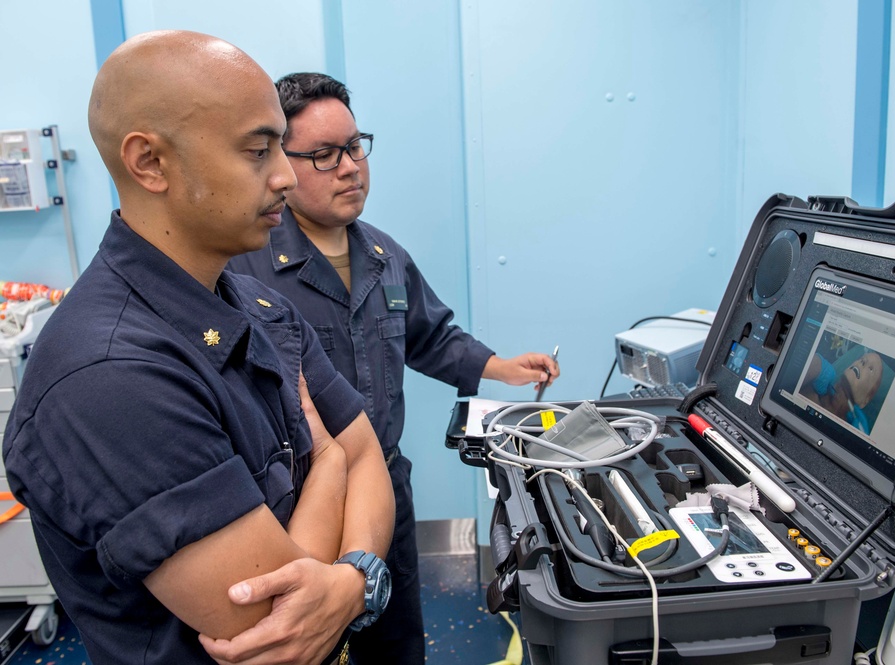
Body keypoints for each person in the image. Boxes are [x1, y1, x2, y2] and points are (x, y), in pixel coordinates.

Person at [1, 31, 394, 665]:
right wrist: (328, 466)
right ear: (150, 163)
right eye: (258, 150)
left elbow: (366, 451)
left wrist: (353, 580)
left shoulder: (253, 304)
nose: (286, 177)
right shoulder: (109, 376)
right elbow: (272, 625)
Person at [227, 72, 561, 664]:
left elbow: (429, 335)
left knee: (397, 643)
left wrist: (500, 367)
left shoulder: (383, 256)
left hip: (385, 487)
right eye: (324, 156)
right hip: (297, 507)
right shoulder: (245, 274)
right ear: (279, 160)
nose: (351, 167)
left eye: (355, 147)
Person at [800, 349, 884, 434]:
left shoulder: (856, 431)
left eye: (870, 368)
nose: (862, 361)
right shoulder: (824, 373)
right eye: (861, 359)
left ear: (865, 400)